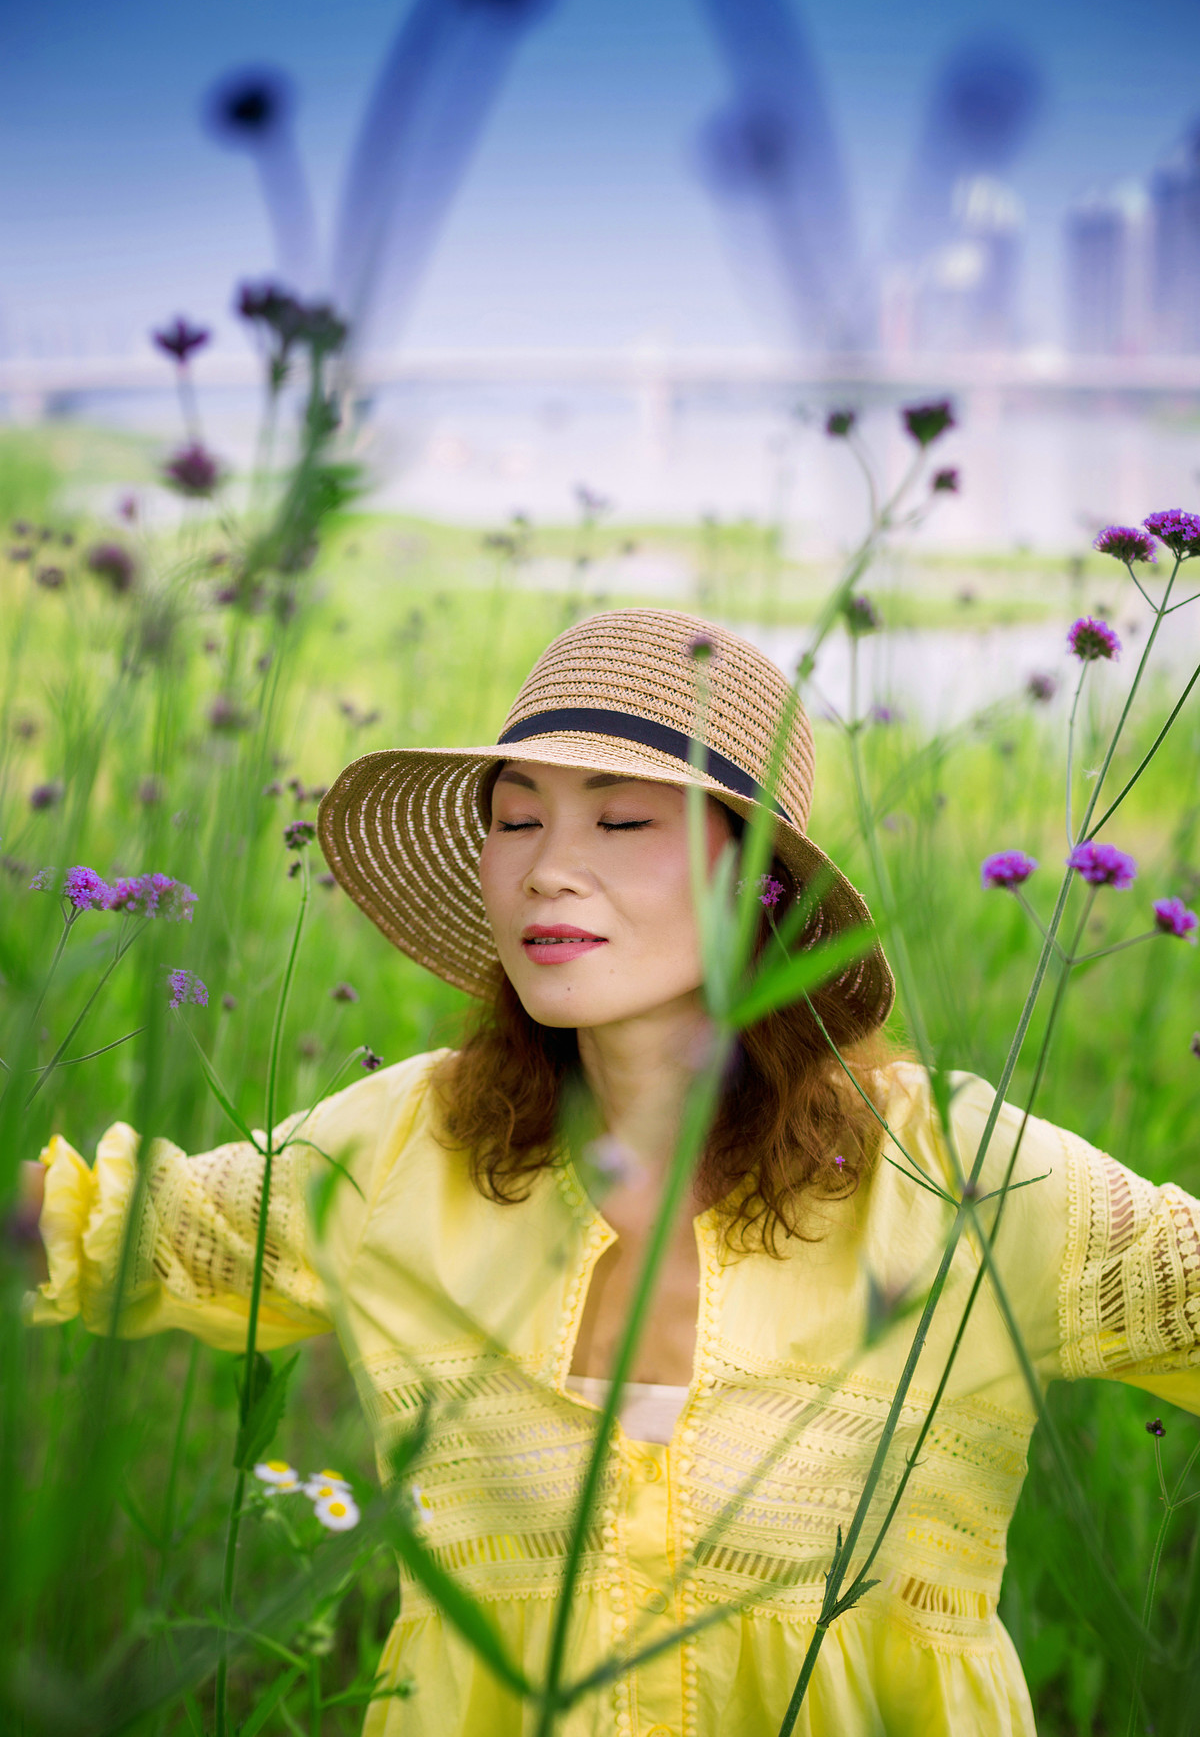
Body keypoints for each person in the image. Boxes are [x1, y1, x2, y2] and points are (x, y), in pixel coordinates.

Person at [25, 608, 1200, 1737]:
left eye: (623, 825)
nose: (546, 871)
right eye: (517, 820)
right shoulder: (400, 1146)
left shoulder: (952, 1174)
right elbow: (118, 1232)